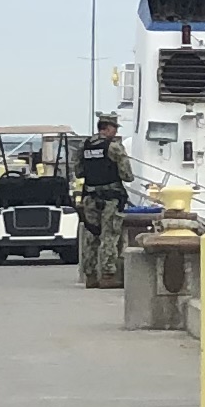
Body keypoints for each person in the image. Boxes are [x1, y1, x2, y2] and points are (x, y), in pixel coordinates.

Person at [75, 114, 130, 289]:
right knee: (110, 235)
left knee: (91, 235)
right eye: (114, 128)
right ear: (107, 128)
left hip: (90, 198)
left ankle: (90, 276)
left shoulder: (84, 145)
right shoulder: (114, 147)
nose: (115, 131)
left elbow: (78, 172)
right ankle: (108, 275)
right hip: (110, 198)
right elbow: (127, 175)